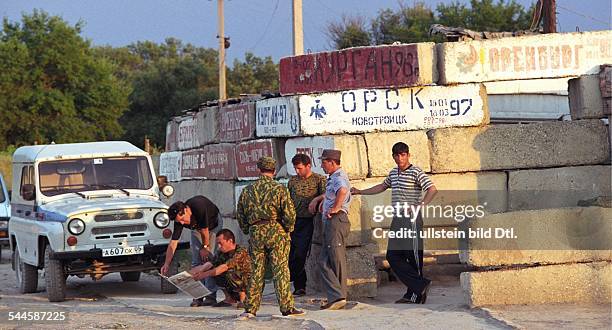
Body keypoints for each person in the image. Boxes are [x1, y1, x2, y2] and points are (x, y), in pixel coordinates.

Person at [351, 142, 437, 304]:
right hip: (398, 219)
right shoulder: (393, 173)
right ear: (393, 157)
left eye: (403, 155)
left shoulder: (416, 172)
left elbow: (432, 189)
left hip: (411, 220)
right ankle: (420, 285)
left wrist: (420, 206)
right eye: (397, 155)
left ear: (408, 155)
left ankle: (414, 295)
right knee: (393, 255)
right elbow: (381, 187)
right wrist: (360, 191)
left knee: (413, 258)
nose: (400, 158)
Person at [236, 156, 305, 319]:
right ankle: (287, 308)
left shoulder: (248, 190)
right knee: (280, 269)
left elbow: (240, 215)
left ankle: (250, 309)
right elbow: (289, 213)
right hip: (276, 231)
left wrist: (249, 229)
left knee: (256, 271)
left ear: (259, 170)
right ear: (273, 171)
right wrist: (288, 229)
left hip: (256, 232)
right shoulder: (279, 189)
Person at [310, 149, 352, 310]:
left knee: (335, 259)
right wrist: (322, 200)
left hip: (336, 221)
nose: (321, 165)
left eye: (324, 162)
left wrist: (335, 207)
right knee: (326, 260)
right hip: (332, 221)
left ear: (332, 162)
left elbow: (342, 190)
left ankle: (338, 296)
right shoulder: (334, 177)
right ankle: (337, 296)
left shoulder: (339, 177)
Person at [161, 195, 221, 307]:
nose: (182, 223)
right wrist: (166, 263)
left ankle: (210, 296)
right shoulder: (179, 219)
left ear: (186, 210)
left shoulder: (199, 207)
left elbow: (205, 230)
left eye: (183, 219)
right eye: (180, 222)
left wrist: (205, 247)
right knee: (196, 261)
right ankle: (197, 296)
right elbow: (173, 242)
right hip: (197, 229)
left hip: (212, 226)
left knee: (209, 260)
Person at [287, 154, 327, 296]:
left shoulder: (318, 179)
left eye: (300, 168)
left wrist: (316, 200)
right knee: (290, 253)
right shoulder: (292, 181)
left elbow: (327, 194)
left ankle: (297, 283)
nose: (297, 171)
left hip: (308, 221)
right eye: (295, 168)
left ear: (308, 166)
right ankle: (298, 286)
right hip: (292, 221)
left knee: (301, 253)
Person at [189, 229, 251, 307]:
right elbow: (210, 264)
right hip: (236, 287)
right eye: (218, 243)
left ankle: (243, 299)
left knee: (228, 272)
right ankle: (229, 299)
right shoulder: (221, 252)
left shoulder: (241, 251)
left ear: (230, 241)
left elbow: (223, 267)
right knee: (213, 270)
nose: (219, 246)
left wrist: (203, 275)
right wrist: (193, 273)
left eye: (221, 243)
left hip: (249, 286)